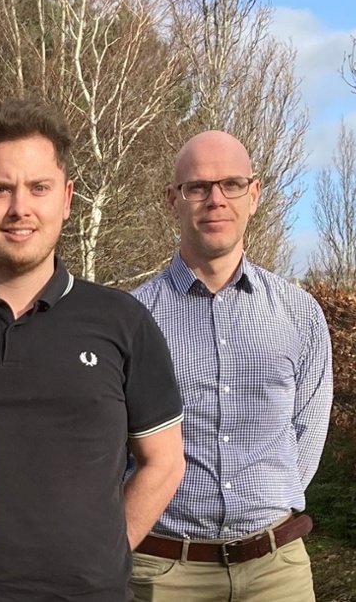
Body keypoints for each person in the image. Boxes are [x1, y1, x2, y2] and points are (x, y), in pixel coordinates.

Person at [0, 100, 185, 602]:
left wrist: (104, 556)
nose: (20, 208)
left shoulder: (123, 321)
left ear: (65, 199)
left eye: (38, 188)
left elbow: (164, 461)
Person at [127, 130, 334, 602]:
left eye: (232, 184)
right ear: (172, 201)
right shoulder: (133, 320)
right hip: (162, 572)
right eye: (197, 187)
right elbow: (116, 444)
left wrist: (261, 511)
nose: (215, 199)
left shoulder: (299, 315)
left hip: (275, 572)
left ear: (255, 195)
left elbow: (307, 431)